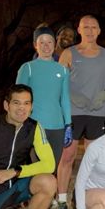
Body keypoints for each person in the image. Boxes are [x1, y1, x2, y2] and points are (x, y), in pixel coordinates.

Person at [53, 15, 105, 209]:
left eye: (93, 27)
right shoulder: (68, 54)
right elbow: (59, 83)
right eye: (85, 27)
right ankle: (61, 201)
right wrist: (72, 96)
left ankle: (84, 198)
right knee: (67, 157)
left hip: (97, 113)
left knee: (92, 159)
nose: (90, 30)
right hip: (73, 114)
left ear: (99, 31)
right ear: (79, 30)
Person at [16, 25, 72, 170]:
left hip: (57, 128)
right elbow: (18, 99)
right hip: (33, 127)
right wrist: (19, 123)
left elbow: (65, 99)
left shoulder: (63, 70)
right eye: (42, 42)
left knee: (52, 170)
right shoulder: (27, 68)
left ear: (55, 44)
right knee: (35, 171)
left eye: (49, 42)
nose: (46, 46)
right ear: (35, 45)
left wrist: (68, 124)